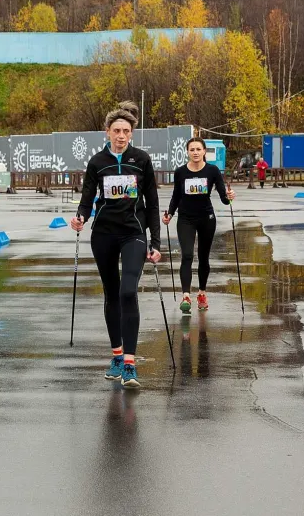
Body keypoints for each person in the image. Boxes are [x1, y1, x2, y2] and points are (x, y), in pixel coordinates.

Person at [70, 102, 162, 389]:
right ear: (107, 132)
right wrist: (80, 218)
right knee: (111, 293)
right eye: (116, 130)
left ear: (132, 134)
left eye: (126, 131)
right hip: (104, 234)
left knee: (127, 291)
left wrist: (156, 241)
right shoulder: (97, 162)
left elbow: (153, 202)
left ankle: (131, 365)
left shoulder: (142, 160)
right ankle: (117, 356)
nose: (121, 135)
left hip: (134, 232)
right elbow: (87, 198)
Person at [163, 137, 234, 315]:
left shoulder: (212, 171)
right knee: (187, 255)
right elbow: (176, 196)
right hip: (185, 219)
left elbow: (224, 199)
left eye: (198, 149)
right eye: (192, 149)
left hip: (206, 218)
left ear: (204, 152)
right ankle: (186, 296)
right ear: (187, 152)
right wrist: (170, 214)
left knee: (203, 257)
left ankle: (202, 293)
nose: (195, 152)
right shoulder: (180, 172)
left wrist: (229, 196)